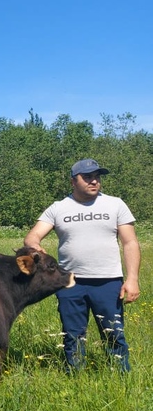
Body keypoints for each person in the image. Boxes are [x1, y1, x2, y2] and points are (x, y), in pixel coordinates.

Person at [24, 158, 141, 372]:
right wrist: (34, 247)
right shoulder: (59, 208)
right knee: (73, 335)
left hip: (108, 282)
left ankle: (122, 377)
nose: (94, 181)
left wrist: (132, 279)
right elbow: (33, 236)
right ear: (73, 182)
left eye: (97, 176)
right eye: (87, 177)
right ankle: (75, 377)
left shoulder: (115, 204)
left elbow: (130, 242)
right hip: (70, 283)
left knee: (113, 333)